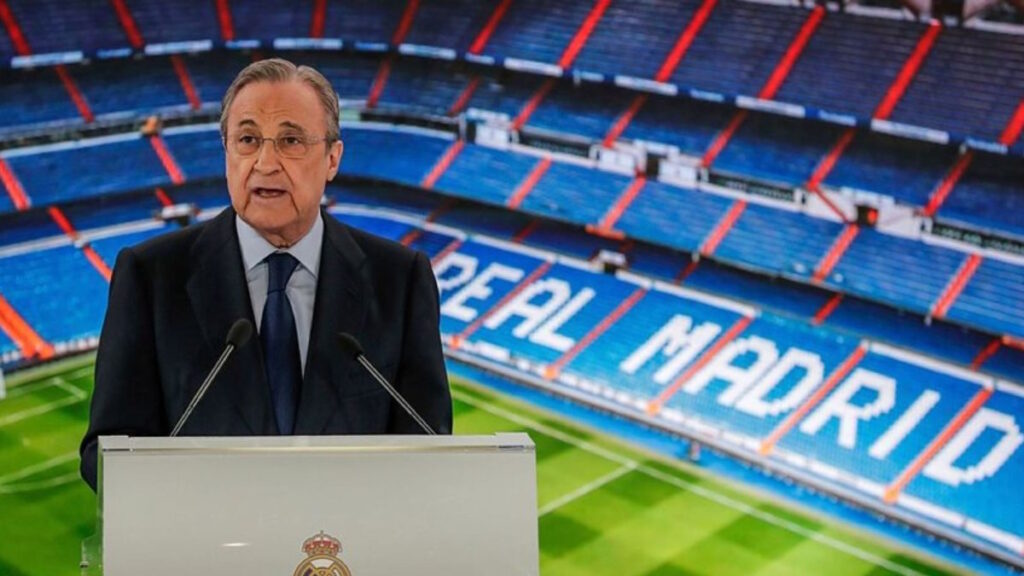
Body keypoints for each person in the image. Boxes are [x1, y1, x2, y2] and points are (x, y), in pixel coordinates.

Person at [79, 58, 452, 491]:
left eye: (290, 140)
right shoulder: (151, 277)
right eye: (248, 140)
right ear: (226, 152)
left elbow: (429, 449)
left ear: (332, 158)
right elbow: (107, 453)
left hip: (346, 535)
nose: (265, 162)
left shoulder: (400, 280)